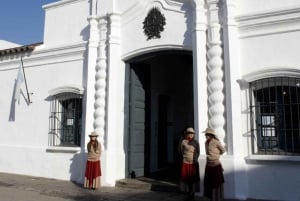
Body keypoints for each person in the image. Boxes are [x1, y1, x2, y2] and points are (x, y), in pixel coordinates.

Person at [203, 127, 225, 201]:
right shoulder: (206, 143)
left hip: (215, 165)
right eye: (205, 134)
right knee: (209, 182)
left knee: (216, 182)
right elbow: (207, 152)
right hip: (208, 164)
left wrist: (216, 155)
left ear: (211, 135)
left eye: (207, 134)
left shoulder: (216, 142)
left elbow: (223, 150)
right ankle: (211, 198)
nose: (206, 136)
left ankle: (217, 198)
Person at [179, 127, 200, 201]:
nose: (190, 135)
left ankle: (192, 195)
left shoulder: (196, 142)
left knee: (193, 179)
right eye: (189, 133)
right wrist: (185, 158)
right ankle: (188, 195)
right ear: (186, 134)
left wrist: (194, 160)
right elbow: (181, 151)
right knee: (186, 179)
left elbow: (198, 152)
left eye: (192, 134)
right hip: (185, 162)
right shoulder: (183, 142)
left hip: (193, 163)